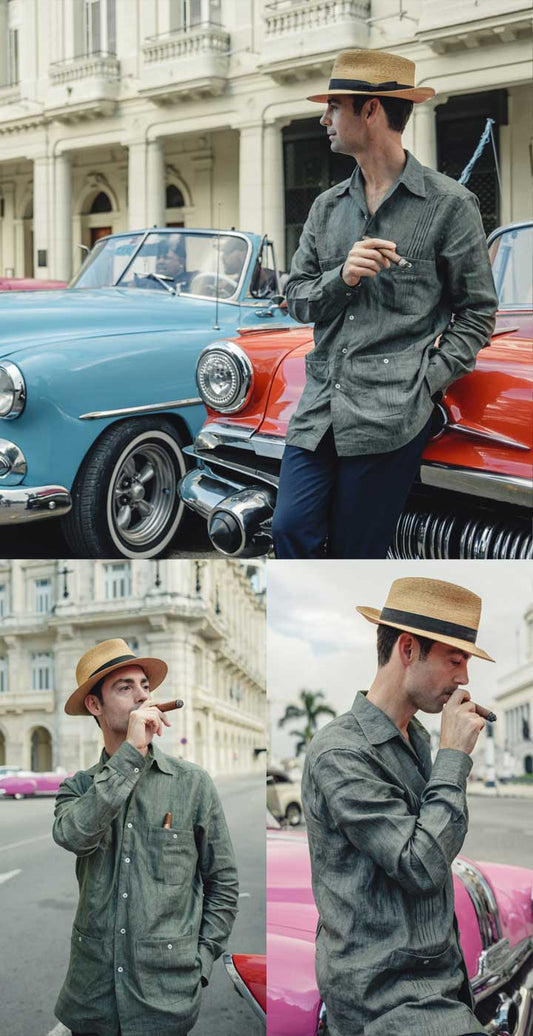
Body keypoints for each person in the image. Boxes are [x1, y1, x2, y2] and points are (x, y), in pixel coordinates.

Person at [272, 49, 498, 559]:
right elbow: (297, 299)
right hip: (319, 408)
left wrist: (425, 381)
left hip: (392, 416)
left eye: (334, 106)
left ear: (371, 110)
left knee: (356, 552)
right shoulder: (326, 208)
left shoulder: (450, 205)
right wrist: (342, 278)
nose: (324, 119)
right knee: (289, 530)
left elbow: (477, 311)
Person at [302, 577, 494, 1036]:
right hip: (384, 999)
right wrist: (454, 757)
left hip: (439, 982)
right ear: (408, 649)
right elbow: (420, 865)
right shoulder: (341, 751)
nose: (464, 678)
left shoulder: (418, 738)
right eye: (455, 659)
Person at [53, 639, 239, 1036]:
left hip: (166, 1000)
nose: (142, 696)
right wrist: (130, 757)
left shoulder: (192, 783)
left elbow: (222, 884)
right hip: (91, 1000)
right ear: (94, 705)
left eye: (145, 686)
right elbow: (74, 835)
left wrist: (201, 963)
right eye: (125, 688)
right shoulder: (78, 787)